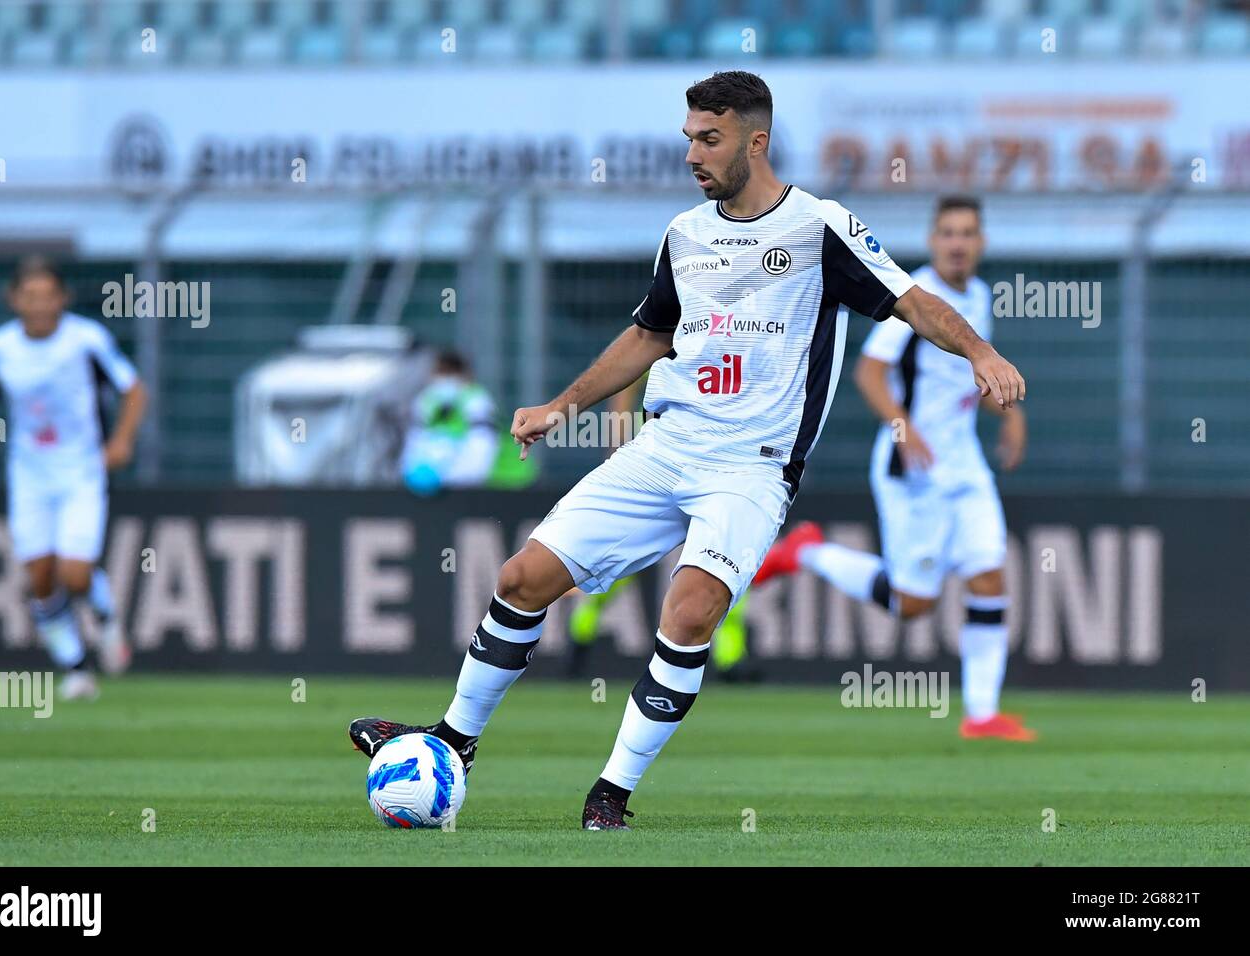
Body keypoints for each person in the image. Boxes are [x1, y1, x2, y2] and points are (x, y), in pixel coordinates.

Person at [347, 72, 1025, 829]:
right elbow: (648, 336)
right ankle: (453, 740)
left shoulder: (818, 228)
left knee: (692, 610)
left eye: (710, 139)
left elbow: (911, 301)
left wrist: (979, 352)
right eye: (689, 139)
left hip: (752, 465)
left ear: (755, 141)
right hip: (667, 444)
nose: (694, 154)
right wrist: (560, 406)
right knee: (522, 576)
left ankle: (612, 791)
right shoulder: (684, 234)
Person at [755, 196, 1034, 741]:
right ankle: (806, 550)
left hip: (965, 465)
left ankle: (981, 715)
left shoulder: (977, 296)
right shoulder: (917, 299)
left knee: (990, 574)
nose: (957, 243)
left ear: (981, 243)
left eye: (967, 233)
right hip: (914, 470)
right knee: (913, 604)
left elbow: (965, 378)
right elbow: (869, 373)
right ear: (934, 241)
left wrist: (1010, 414)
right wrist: (904, 429)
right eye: (948, 232)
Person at [0, 257, 144, 699]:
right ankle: (77, 668)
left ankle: (103, 614)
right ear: (13, 300)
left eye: (48, 296)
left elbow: (133, 389)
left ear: (63, 298)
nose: (40, 305)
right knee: (41, 577)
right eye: (30, 296)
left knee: (75, 573)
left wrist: (121, 440)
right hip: (29, 475)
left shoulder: (85, 340)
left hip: (81, 470)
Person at [400, 350, 537, 494]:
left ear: (466, 376)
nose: (445, 379)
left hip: (507, 481)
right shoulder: (427, 401)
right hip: (461, 486)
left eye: (450, 373)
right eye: (441, 372)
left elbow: (481, 448)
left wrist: (446, 478)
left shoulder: (477, 401)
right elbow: (416, 443)